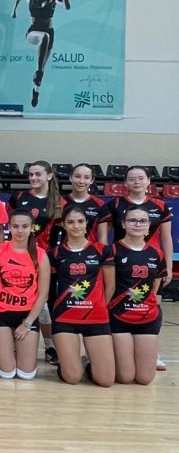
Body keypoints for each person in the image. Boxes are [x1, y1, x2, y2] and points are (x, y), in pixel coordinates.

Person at [98, 165, 173, 372]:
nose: (137, 182)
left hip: (151, 263)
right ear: (125, 183)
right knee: (117, 300)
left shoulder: (159, 205)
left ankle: (151, 350)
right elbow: (103, 239)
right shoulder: (115, 204)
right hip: (122, 263)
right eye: (132, 179)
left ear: (149, 181)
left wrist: (167, 264)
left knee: (152, 303)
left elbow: (166, 238)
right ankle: (112, 347)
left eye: (141, 178)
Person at [0, 208, 51, 380]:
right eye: (15, 226)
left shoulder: (41, 255)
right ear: (9, 228)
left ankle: (9, 349)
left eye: (25, 226)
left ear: (31, 228)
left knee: (26, 375)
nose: (20, 231)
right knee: (7, 373)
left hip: (26, 316)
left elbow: (43, 295)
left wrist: (27, 323)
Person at [48, 205, 114, 386]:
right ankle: (68, 364)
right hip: (65, 318)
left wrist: (98, 306)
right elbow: (49, 288)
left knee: (106, 381)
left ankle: (86, 362)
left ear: (86, 224)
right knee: (73, 378)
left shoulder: (102, 251)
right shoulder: (54, 254)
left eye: (80, 221)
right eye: (70, 222)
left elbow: (110, 287)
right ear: (63, 225)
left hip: (96, 319)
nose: (76, 226)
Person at [7, 160, 63, 363]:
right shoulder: (19, 197)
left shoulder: (58, 203)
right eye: (31, 174)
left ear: (49, 176)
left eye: (38, 174)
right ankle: (9, 345)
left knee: (45, 306)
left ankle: (50, 347)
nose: (33, 178)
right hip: (18, 258)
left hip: (45, 260)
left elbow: (61, 236)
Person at [105, 206, 165, 386]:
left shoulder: (156, 253)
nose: (137, 224)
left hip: (147, 318)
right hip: (119, 316)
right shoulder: (112, 250)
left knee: (145, 379)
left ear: (149, 226)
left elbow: (154, 289)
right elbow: (108, 286)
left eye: (143, 221)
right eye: (132, 220)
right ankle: (94, 360)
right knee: (125, 377)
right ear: (123, 224)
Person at [12, 0, 71, 108]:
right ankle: (38, 73)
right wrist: (14, 11)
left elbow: (67, 7)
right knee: (44, 37)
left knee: (42, 69)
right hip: (33, 33)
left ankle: (36, 91)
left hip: (49, 35)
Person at [62, 163, 106, 244]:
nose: (81, 181)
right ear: (70, 178)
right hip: (65, 253)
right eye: (77, 176)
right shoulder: (60, 203)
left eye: (86, 178)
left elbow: (103, 238)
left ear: (92, 180)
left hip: (92, 252)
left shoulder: (100, 204)